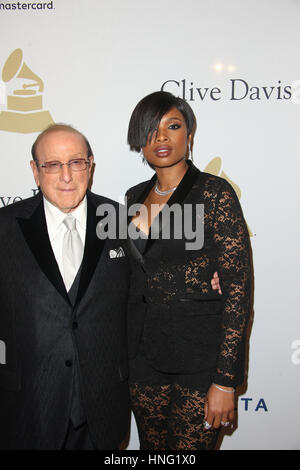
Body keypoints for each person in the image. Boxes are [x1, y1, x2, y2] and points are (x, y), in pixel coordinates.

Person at [125, 91, 251, 450]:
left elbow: (238, 291)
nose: (161, 138)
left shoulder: (214, 194)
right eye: (151, 129)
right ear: (140, 140)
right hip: (143, 357)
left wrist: (225, 381)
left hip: (200, 358)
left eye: (173, 126)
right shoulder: (133, 196)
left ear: (189, 135)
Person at [0, 124, 130, 450]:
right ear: (35, 171)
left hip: (101, 411)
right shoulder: (3, 227)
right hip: (29, 407)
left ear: (91, 165)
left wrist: (202, 284)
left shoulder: (121, 220)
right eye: (53, 165)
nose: (66, 176)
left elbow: (147, 294)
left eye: (75, 162)